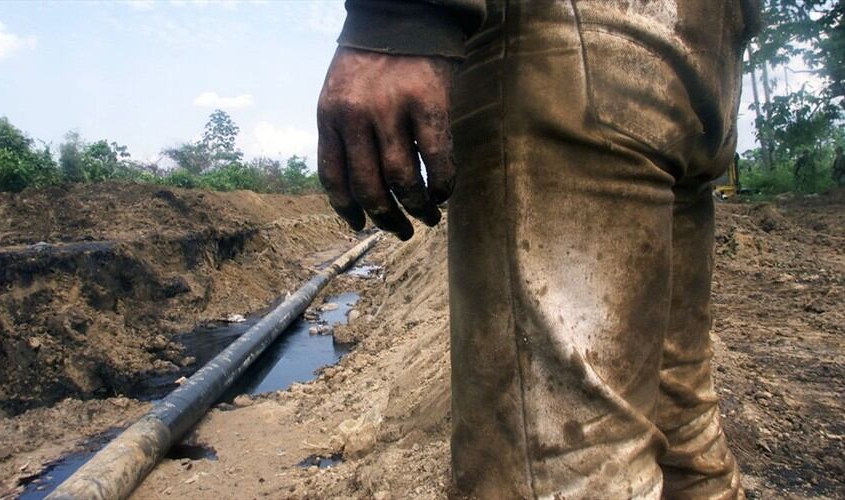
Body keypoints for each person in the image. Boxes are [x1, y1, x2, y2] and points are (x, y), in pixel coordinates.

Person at [317, 1, 760, 498]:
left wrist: (400, 20)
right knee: (682, 426)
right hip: (698, 41)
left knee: (560, 468)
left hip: (563, 48)